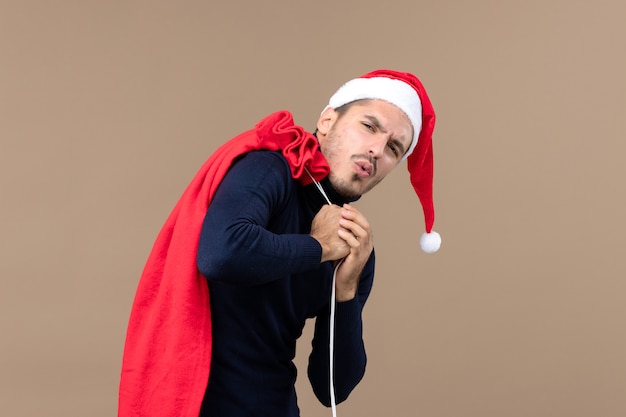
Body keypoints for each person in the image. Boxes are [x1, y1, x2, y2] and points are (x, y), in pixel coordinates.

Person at [118, 69, 441, 417]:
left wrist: (345, 291)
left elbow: (332, 387)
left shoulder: (352, 243)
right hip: (195, 403)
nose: (377, 149)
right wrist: (318, 247)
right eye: (368, 126)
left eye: (394, 148)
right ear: (328, 121)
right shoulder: (269, 169)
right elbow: (220, 254)